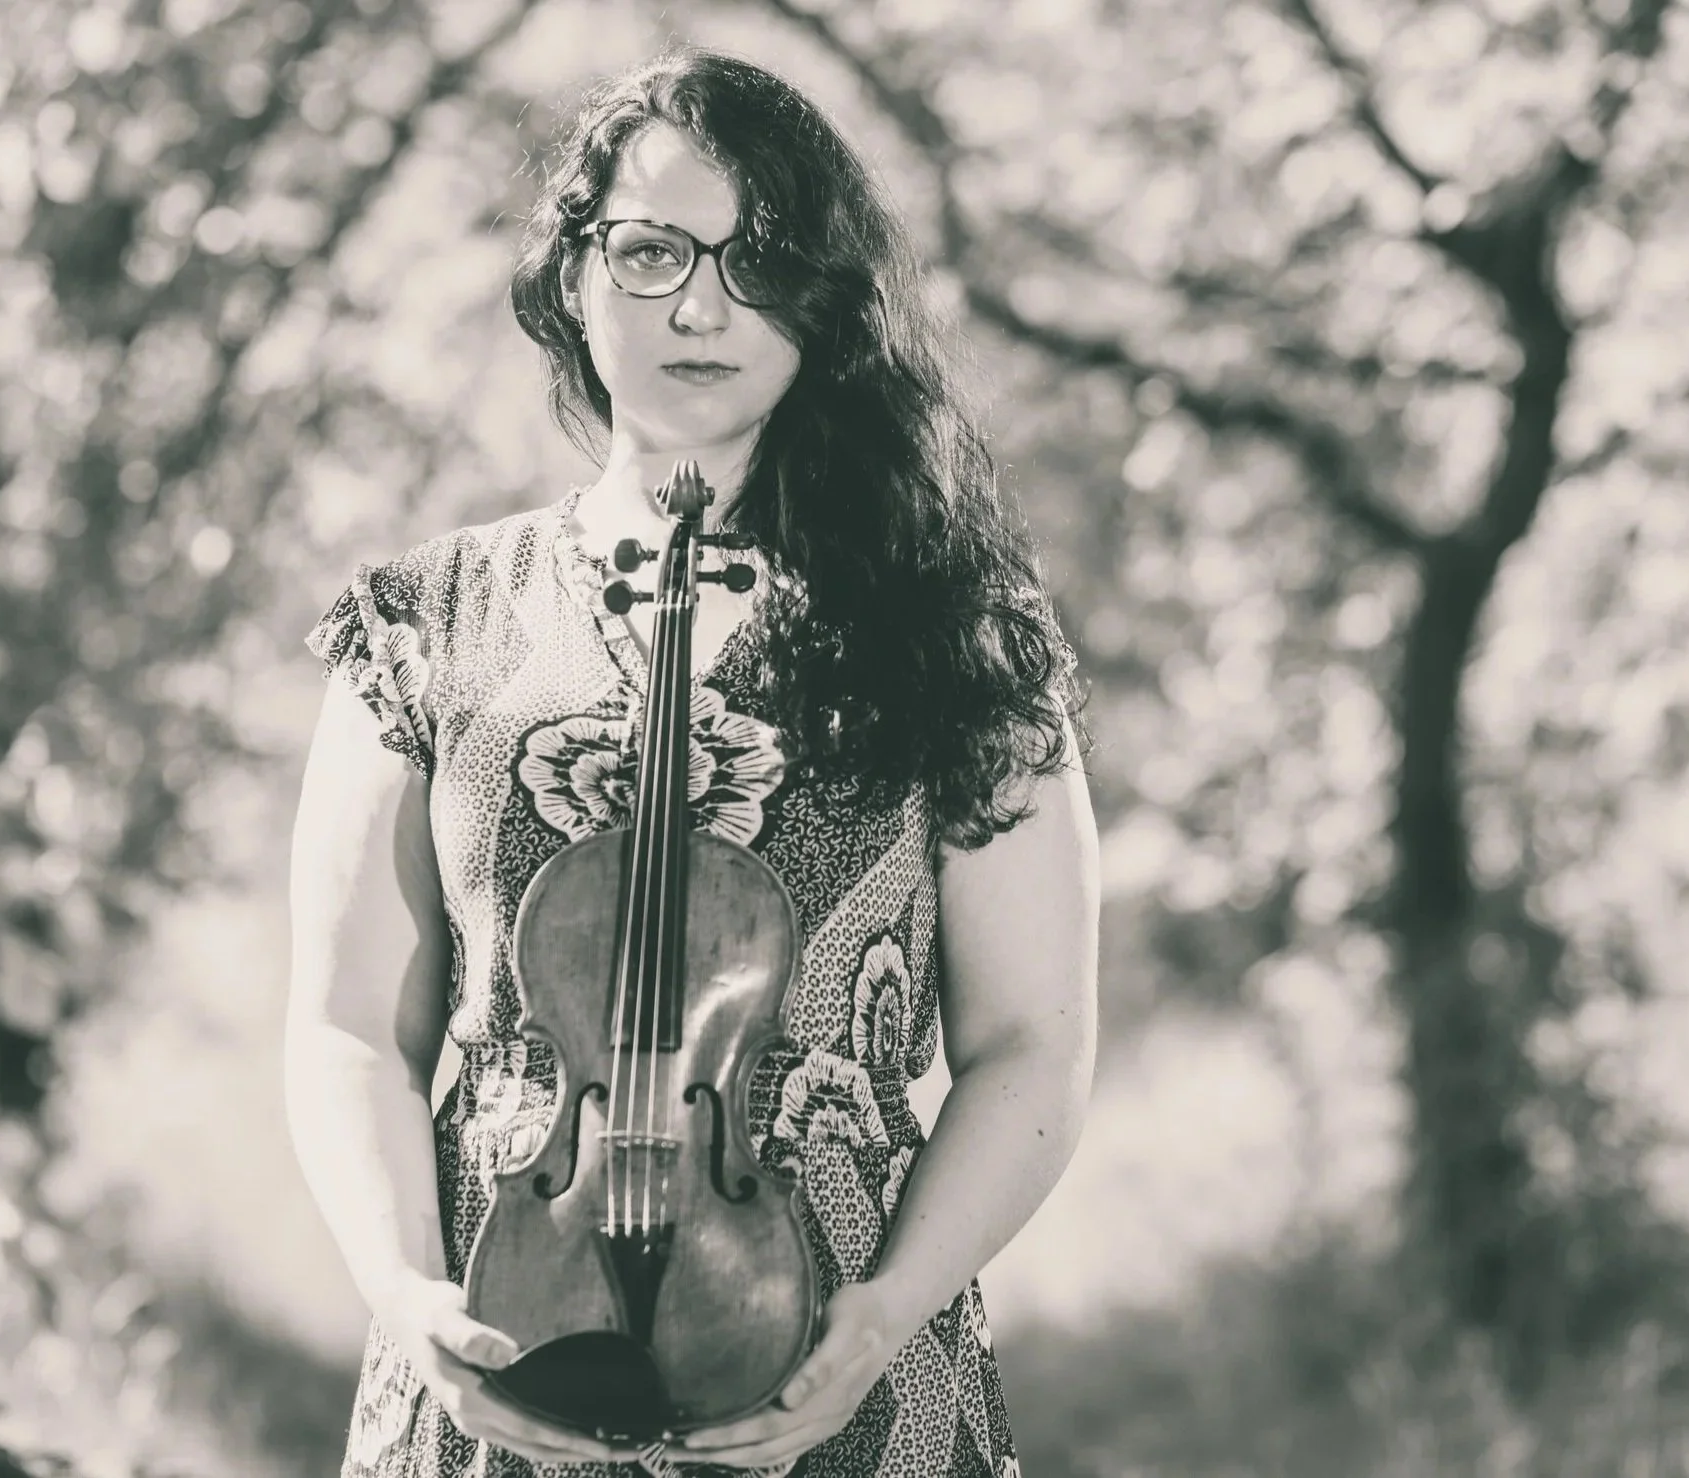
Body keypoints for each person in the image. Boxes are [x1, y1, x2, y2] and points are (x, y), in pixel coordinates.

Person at [287, 45, 1099, 1478]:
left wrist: (883, 1316)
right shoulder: (423, 625)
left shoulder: (958, 633)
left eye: (757, 259)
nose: (702, 307)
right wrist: (408, 1298)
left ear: (823, 299)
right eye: (653, 252)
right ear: (574, 270)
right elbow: (352, 1027)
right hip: (504, 1353)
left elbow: (1032, 1042)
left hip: (848, 1372)